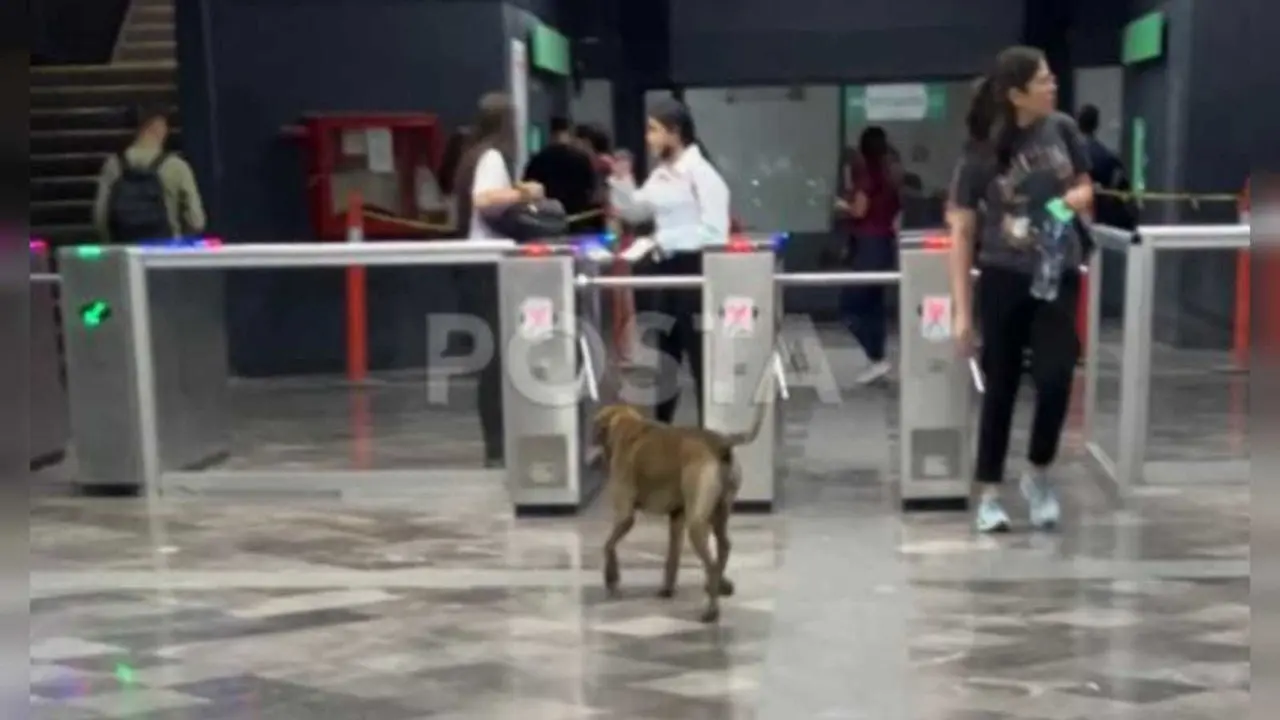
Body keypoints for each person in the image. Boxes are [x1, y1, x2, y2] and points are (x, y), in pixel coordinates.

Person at [947, 46, 1093, 533]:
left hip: (1058, 271)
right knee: (1001, 386)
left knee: (1056, 377)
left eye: (1053, 77)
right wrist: (962, 314)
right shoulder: (980, 153)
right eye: (1044, 80)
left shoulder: (1064, 130)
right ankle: (989, 491)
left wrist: (1066, 204)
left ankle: (1037, 470)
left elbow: (1086, 188)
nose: (1054, 86)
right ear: (1016, 94)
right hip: (1002, 277)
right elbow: (963, 233)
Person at [608, 97, 730, 424]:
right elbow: (637, 210)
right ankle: (661, 433)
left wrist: (667, 240)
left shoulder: (702, 175)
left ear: (675, 132)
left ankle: (711, 434)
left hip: (695, 272)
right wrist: (621, 181)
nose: (648, 138)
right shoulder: (661, 175)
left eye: (654, 130)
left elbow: (716, 232)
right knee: (665, 356)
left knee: (701, 357)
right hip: (665, 271)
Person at [451, 92, 544, 466]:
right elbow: (486, 199)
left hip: (476, 265)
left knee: (493, 357)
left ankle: (498, 443)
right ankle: (497, 445)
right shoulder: (490, 157)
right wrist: (527, 191)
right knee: (496, 360)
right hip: (488, 264)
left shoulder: (470, 155)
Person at [835, 126, 903, 384]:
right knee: (874, 305)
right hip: (885, 243)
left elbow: (859, 211)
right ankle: (878, 359)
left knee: (849, 305)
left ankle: (875, 356)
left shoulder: (867, 176)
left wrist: (842, 205)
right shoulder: (890, 176)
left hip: (868, 245)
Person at [93, 105, 205, 243]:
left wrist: (113, 245)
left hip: (125, 253)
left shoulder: (113, 166)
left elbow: (100, 219)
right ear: (159, 127)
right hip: (164, 255)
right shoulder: (176, 167)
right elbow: (196, 221)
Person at [522, 116, 599, 235]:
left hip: (546, 221)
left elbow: (527, 189)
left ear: (551, 133)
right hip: (576, 220)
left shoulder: (538, 160)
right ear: (570, 132)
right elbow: (591, 190)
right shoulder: (581, 159)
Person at [1077, 104, 1135, 229]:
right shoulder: (1107, 156)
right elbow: (1124, 190)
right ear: (1097, 125)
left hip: (1076, 218)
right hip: (1103, 219)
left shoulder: (1069, 154)